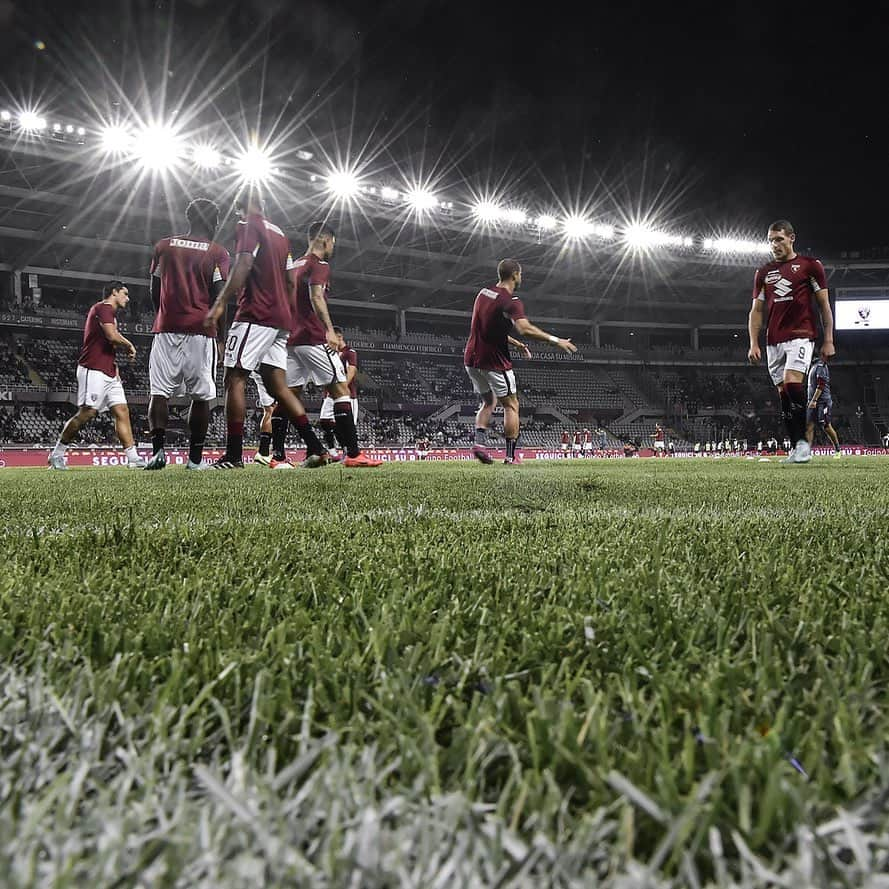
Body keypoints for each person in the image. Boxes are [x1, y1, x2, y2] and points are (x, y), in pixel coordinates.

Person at [204, 189, 327, 469]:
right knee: (279, 387)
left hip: (255, 314)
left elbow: (245, 263)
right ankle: (316, 447)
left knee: (234, 377)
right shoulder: (282, 235)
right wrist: (287, 313)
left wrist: (221, 301)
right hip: (281, 318)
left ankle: (234, 456)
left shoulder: (247, 226)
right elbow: (291, 282)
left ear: (242, 206)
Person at [270, 222, 381, 468]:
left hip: (290, 340)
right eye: (332, 243)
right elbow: (316, 296)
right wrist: (329, 330)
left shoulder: (295, 264)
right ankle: (353, 454)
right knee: (341, 390)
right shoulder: (318, 265)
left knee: (290, 396)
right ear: (325, 240)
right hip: (312, 337)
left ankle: (277, 457)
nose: (332, 248)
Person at [145, 199, 230, 471]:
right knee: (202, 396)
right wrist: (222, 337)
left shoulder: (164, 246)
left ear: (189, 218)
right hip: (201, 330)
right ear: (213, 221)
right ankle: (194, 461)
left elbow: (153, 288)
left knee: (159, 392)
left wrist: (164, 314)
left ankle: (158, 455)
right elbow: (221, 297)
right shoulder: (217, 252)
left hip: (166, 328)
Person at [464, 259, 576, 465]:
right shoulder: (511, 301)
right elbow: (525, 328)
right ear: (515, 274)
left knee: (488, 402)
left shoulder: (483, 293)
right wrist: (555, 340)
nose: (521, 277)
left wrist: (516, 344)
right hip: (494, 361)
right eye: (520, 274)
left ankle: (479, 444)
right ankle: (510, 457)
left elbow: (488, 329)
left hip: (471, 359)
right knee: (512, 405)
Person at [748, 219, 835, 464]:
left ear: (792, 238)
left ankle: (805, 444)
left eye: (779, 239)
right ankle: (798, 446)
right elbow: (756, 310)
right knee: (784, 395)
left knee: (792, 382)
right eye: (770, 241)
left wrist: (828, 339)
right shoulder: (763, 273)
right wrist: (753, 342)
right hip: (773, 340)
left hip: (801, 335)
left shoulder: (810, 266)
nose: (774, 245)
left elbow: (824, 306)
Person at [48, 282, 146, 469]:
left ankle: (133, 458)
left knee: (122, 411)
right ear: (114, 292)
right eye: (125, 293)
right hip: (92, 369)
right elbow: (111, 336)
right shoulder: (102, 308)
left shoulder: (111, 315)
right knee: (88, 412)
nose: (128, 298)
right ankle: (57, 454)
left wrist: (115, 369)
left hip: (109, 372)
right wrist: (130, 345)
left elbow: (109, 345)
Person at [315, 327, 358, 460]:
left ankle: (349, 452)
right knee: (324, 420)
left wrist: (342, 387)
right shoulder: (332, 353)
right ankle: (333, 452)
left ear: (339, 337)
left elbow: (352, 370)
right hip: (330, 394)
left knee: (346, 424)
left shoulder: (349, 352)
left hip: (347, 394)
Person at [806, 355, 841, 457]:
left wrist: (814, 400)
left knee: (826, 426)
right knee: (809, 426)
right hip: (812, 401)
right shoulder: (812, 366)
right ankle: (806, 453)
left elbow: (821, 385)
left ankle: (838, 450)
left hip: (822, 401)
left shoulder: (820, 366)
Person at [250, 371, 281, 466]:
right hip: (269, 370)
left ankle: (263, 451)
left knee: (268, 411)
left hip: (258, 371)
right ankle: (266, 453)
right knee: (271, 411)